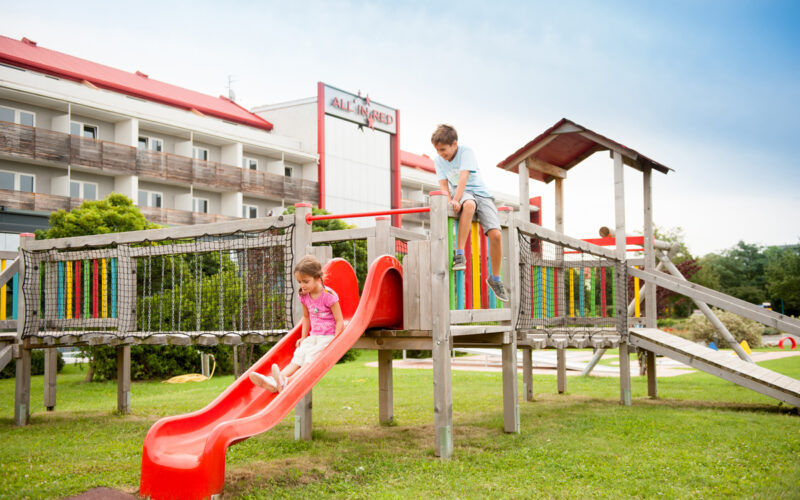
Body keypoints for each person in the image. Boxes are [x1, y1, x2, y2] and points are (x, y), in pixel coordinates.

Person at [431, 124, 508, 302]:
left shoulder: (466, 152)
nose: (441, 153)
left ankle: (495, 279)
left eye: (443, 149)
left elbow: (464, 177)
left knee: (496, 235)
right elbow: (443, 184)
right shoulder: (438, 161)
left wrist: (456, 199)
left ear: (454, 144)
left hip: (481, 193)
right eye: (437, 150)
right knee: (469, 206)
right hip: (463, 193)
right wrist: (451, 201)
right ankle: (459, 254)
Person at [250, 255, 344, 392]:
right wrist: (303, 337)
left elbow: (339, 320)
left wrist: (336, 340)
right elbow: (306, 317)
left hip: (328, 337)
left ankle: (288, 381)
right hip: (313, 337)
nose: (302, 285)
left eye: (305, 281)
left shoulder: (328, 295)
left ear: (318, 278)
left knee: (309, 359)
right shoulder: (304, 295)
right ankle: (274, 381)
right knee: (299, 356)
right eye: (299, 282)